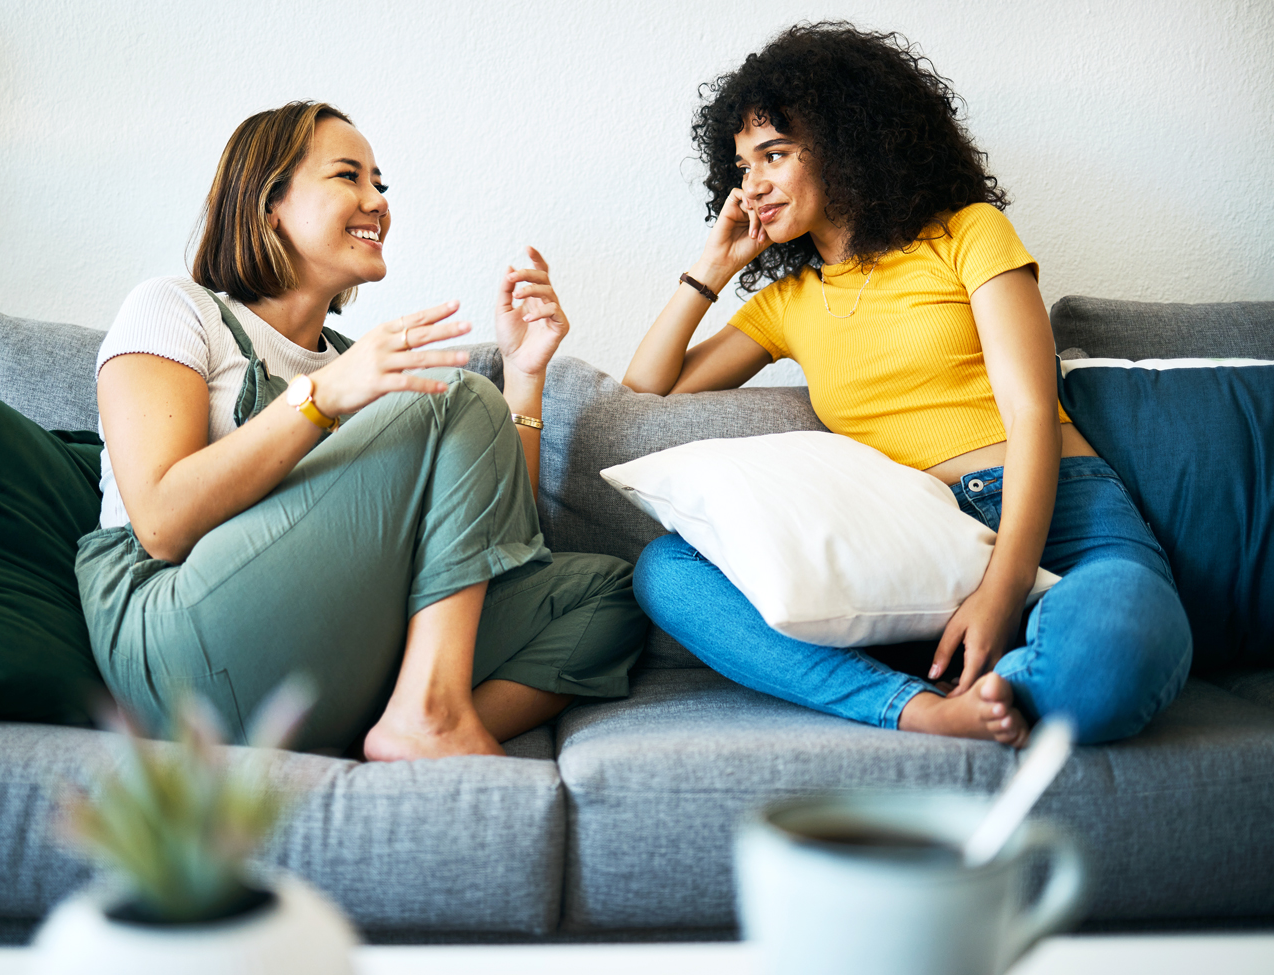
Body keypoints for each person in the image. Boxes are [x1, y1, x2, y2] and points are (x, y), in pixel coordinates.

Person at [623, 22, 1191, 747]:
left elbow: (1029, 415)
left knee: (1115, 653)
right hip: (910, 545)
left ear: (846, 141)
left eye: (774, 154)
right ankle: (919, 707)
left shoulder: (968, 235)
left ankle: (1006, 677)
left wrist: (1003, 586)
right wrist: (711, 270)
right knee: (668, 570)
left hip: (1063, 519)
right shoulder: (788, 304)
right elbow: (646, 391)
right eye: (742, 165)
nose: (752, 184)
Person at [77, 101, 647, 760]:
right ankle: (428, 713)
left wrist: (523, 377)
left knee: (613, 594)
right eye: (349, 176)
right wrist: (324, 395)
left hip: (327, 650)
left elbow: (490, 538)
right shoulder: (178, 309)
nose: (377, 200)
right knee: (456, 394)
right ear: (270, 204)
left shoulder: (357, 360)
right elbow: (161, 520)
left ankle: (406, 720)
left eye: (380, 183)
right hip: (176, 639)